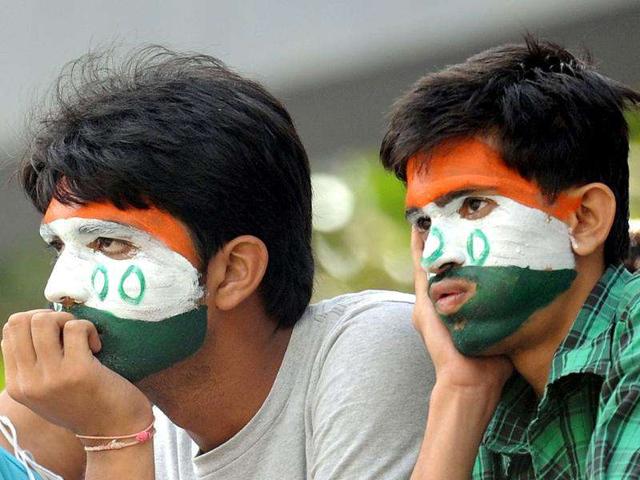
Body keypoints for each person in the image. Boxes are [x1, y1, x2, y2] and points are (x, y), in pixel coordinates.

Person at [0, 48, 434, 479]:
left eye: (110, 244)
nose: (59, 289)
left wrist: (113, 441)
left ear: (234, 272)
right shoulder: (109, 408)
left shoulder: (372, 347)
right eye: (60, 249)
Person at [380, 37, 640, 479]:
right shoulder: (497, 389)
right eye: (424, 225)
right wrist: (461, 392)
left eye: (473, 206)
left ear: (584, 219)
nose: (435, 259)